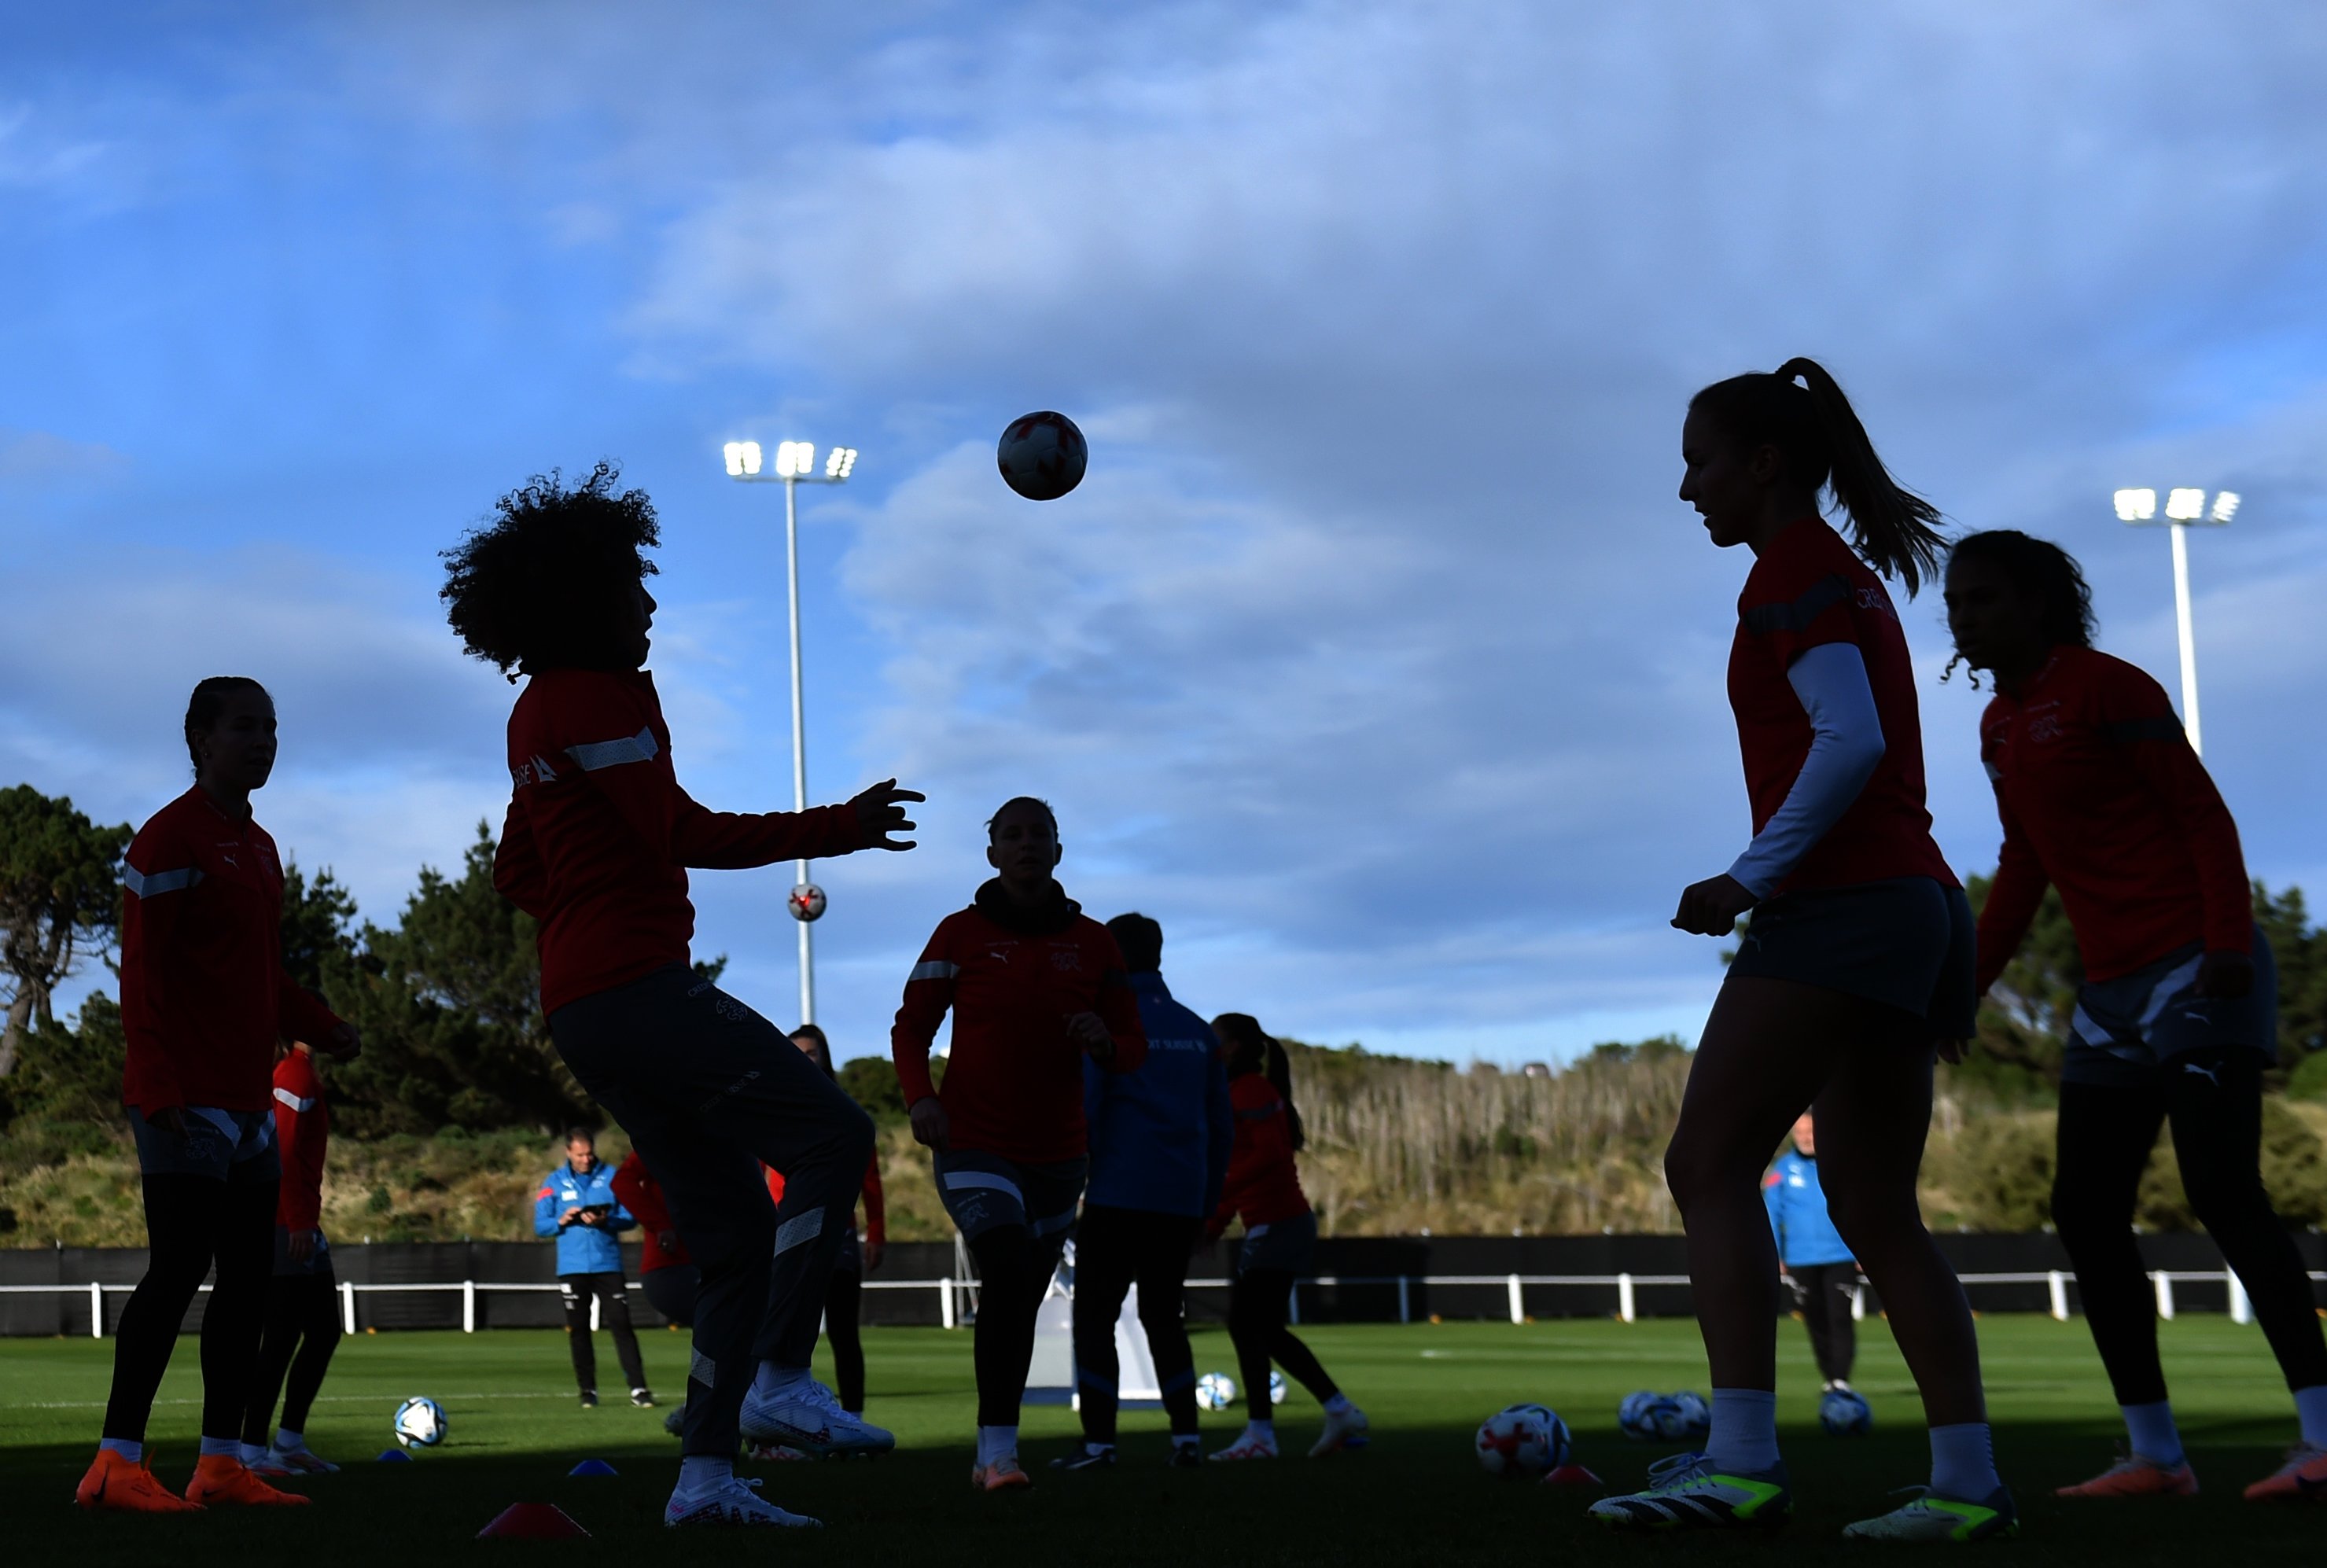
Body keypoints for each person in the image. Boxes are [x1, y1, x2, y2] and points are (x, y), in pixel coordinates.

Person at [444, 463, 922, 1529]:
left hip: (588, 1003)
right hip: (635, 988)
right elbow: (682, 830)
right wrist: (837, 826)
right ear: (586, 601)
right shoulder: (591, 696)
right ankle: (780, 1378)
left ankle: (704, 1482)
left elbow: (516, 869)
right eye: (633, 586)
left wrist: (588, 905)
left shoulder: (539, 708)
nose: (649, 603)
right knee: (836, 1134)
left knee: (735, 1236)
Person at [1589, 361, 2013, 1541]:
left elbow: (1849, 738)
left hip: (1845, 902)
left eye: (1699, 462)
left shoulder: (1791, 573)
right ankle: (1968, 1485)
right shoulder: (1847, 575)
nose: (1687, 489)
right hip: (1914, 902)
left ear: (1763, 463)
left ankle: (1738, 1463)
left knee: (1706, 1162)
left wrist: (1750, 874)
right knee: (1874, 1206)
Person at [1943, 528, 2327, 1503]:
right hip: (2107, 993)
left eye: (1982, 598)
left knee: (2222, 1190)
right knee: (2083, 1208)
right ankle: (2156, 1457)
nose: (1962, 617)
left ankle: (2324, 1435)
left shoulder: (2111, 687)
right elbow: (2023, 861)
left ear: (2037, 603)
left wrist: (2228, 946)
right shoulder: (1996, 727)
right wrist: (1966, 985)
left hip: (2197, 966)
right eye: (1954, 601)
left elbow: (2202, 815)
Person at [75, 676, 361, 1515]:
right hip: (185, 1097)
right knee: (177, 1270)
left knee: (247, 1284)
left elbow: (260, 977)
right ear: (200, 738)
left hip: (247, 1103)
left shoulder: (261, 848)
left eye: (271, 727)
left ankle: (222, 1463)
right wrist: (156, 1078)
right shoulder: (167, 839)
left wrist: (324, 1024)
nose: (263, 741)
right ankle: (116, 1462)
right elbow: (142, 972)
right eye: (244, 726)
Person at [892, 797, 1148, 1493]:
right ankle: (1000, 1453)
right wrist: (921, 1099)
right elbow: (910, 1028)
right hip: (973, 1142)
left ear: (1058, 851)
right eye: (1013, 834)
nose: (1027, 844)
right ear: (992, 853)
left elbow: (1132, 1048)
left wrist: (1105, 1041)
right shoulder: (958, 933)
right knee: (1005, 1270)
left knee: (1019, 1299)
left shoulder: (1095, 943)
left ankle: (990, 1456)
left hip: (1060, 1156)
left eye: (1040, 834)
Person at [1052, 913, 1232, 1472]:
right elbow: (1220, 1128)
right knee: (1164, 1317)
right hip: (1181, 1201)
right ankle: (1187, 1441)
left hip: (1118, 1194)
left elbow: (1089, 1111)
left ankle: (1100, 1445)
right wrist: (1207, 1209)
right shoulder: (1198, 1032)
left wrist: (1068, 1183)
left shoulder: (1111, 1025)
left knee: (1094, 1319)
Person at [1203, 1014, 1367, 1463]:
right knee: (1261, 1328)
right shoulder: (1244, 1091)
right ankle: (1335, 1411)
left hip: (1280, 1224)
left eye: (1214, 1039)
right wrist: (1216, 1222)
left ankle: (1265, 1433)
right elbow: (1245, 1168)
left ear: (1233, 1048)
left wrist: (1218, 1199)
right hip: (1276, 1224)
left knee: (1248, 1325)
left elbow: (1268, 1157)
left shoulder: (1249, 1091)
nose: (1206, 1047)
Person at [764, 1024, 887, 1419]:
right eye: (795, 1053)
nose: (803, 1060)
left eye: (811, 1053)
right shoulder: (771, 1108)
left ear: (825, 1058)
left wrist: (877, 1231)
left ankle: (853, 1419)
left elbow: (870, 1178)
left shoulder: (845, 1110)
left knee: (843, 1330)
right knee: (780, 1326)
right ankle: (777, 1412)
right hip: (783, 1231)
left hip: (837, 1232)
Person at [237, 1037, 346, 1475]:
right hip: (286, 1224)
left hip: (300, 1223)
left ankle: (288, 1442)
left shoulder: (300, 1072)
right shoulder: (294, 1074)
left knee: (323, 1331)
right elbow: (279, 1151)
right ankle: (249, 1450)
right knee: (281, 1338)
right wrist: (299, 1221)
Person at [533, 1128, 650, 1409]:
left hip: (607, 1264)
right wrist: (562, 1220)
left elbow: (631, 1217)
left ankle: (639, 1389)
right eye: (580, 1155)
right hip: (572, 1267)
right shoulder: (554, 1182)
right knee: (579, 1330)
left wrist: (605, 1220)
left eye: (589, 1154)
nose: (586, 1159)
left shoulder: (611, 1176)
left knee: (622, 1326)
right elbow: (541, 1225)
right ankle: (588, 1391)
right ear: (568, 1152)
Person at [1762, 1112, 1860, 1396]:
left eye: (1811, 1132)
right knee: (1816, 1319)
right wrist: (1775, 1253)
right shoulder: (1782, 1170)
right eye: (1800, 1133)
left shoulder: (1842, 1165)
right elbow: (1771, 1213)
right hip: (1800, 1259)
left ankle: (1841, 1379)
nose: (1806, 1138)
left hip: (1840, 1255)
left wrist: (1865, 1249)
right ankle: (1829, 1377)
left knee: (1840, 1317)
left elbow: (1860, 1207)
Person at [613, 1148, 698, 1330]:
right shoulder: (666, 1138)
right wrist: (660, 1225)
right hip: (673, 1264)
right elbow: (623, 1181)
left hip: (718, 1262)